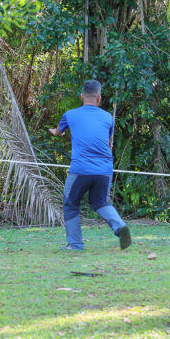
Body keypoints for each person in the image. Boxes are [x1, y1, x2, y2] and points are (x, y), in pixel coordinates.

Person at [49, 80, 131, 251]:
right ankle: (119, 225)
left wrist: (56, 132)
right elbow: (109, 144)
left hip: (80, 170)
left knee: (70, 204)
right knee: (100, 202)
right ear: (99, 99)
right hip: (104, 170)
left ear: (81, 97)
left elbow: (58, 131)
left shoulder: (70, 114)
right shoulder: (108, 117)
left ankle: (76, 245)